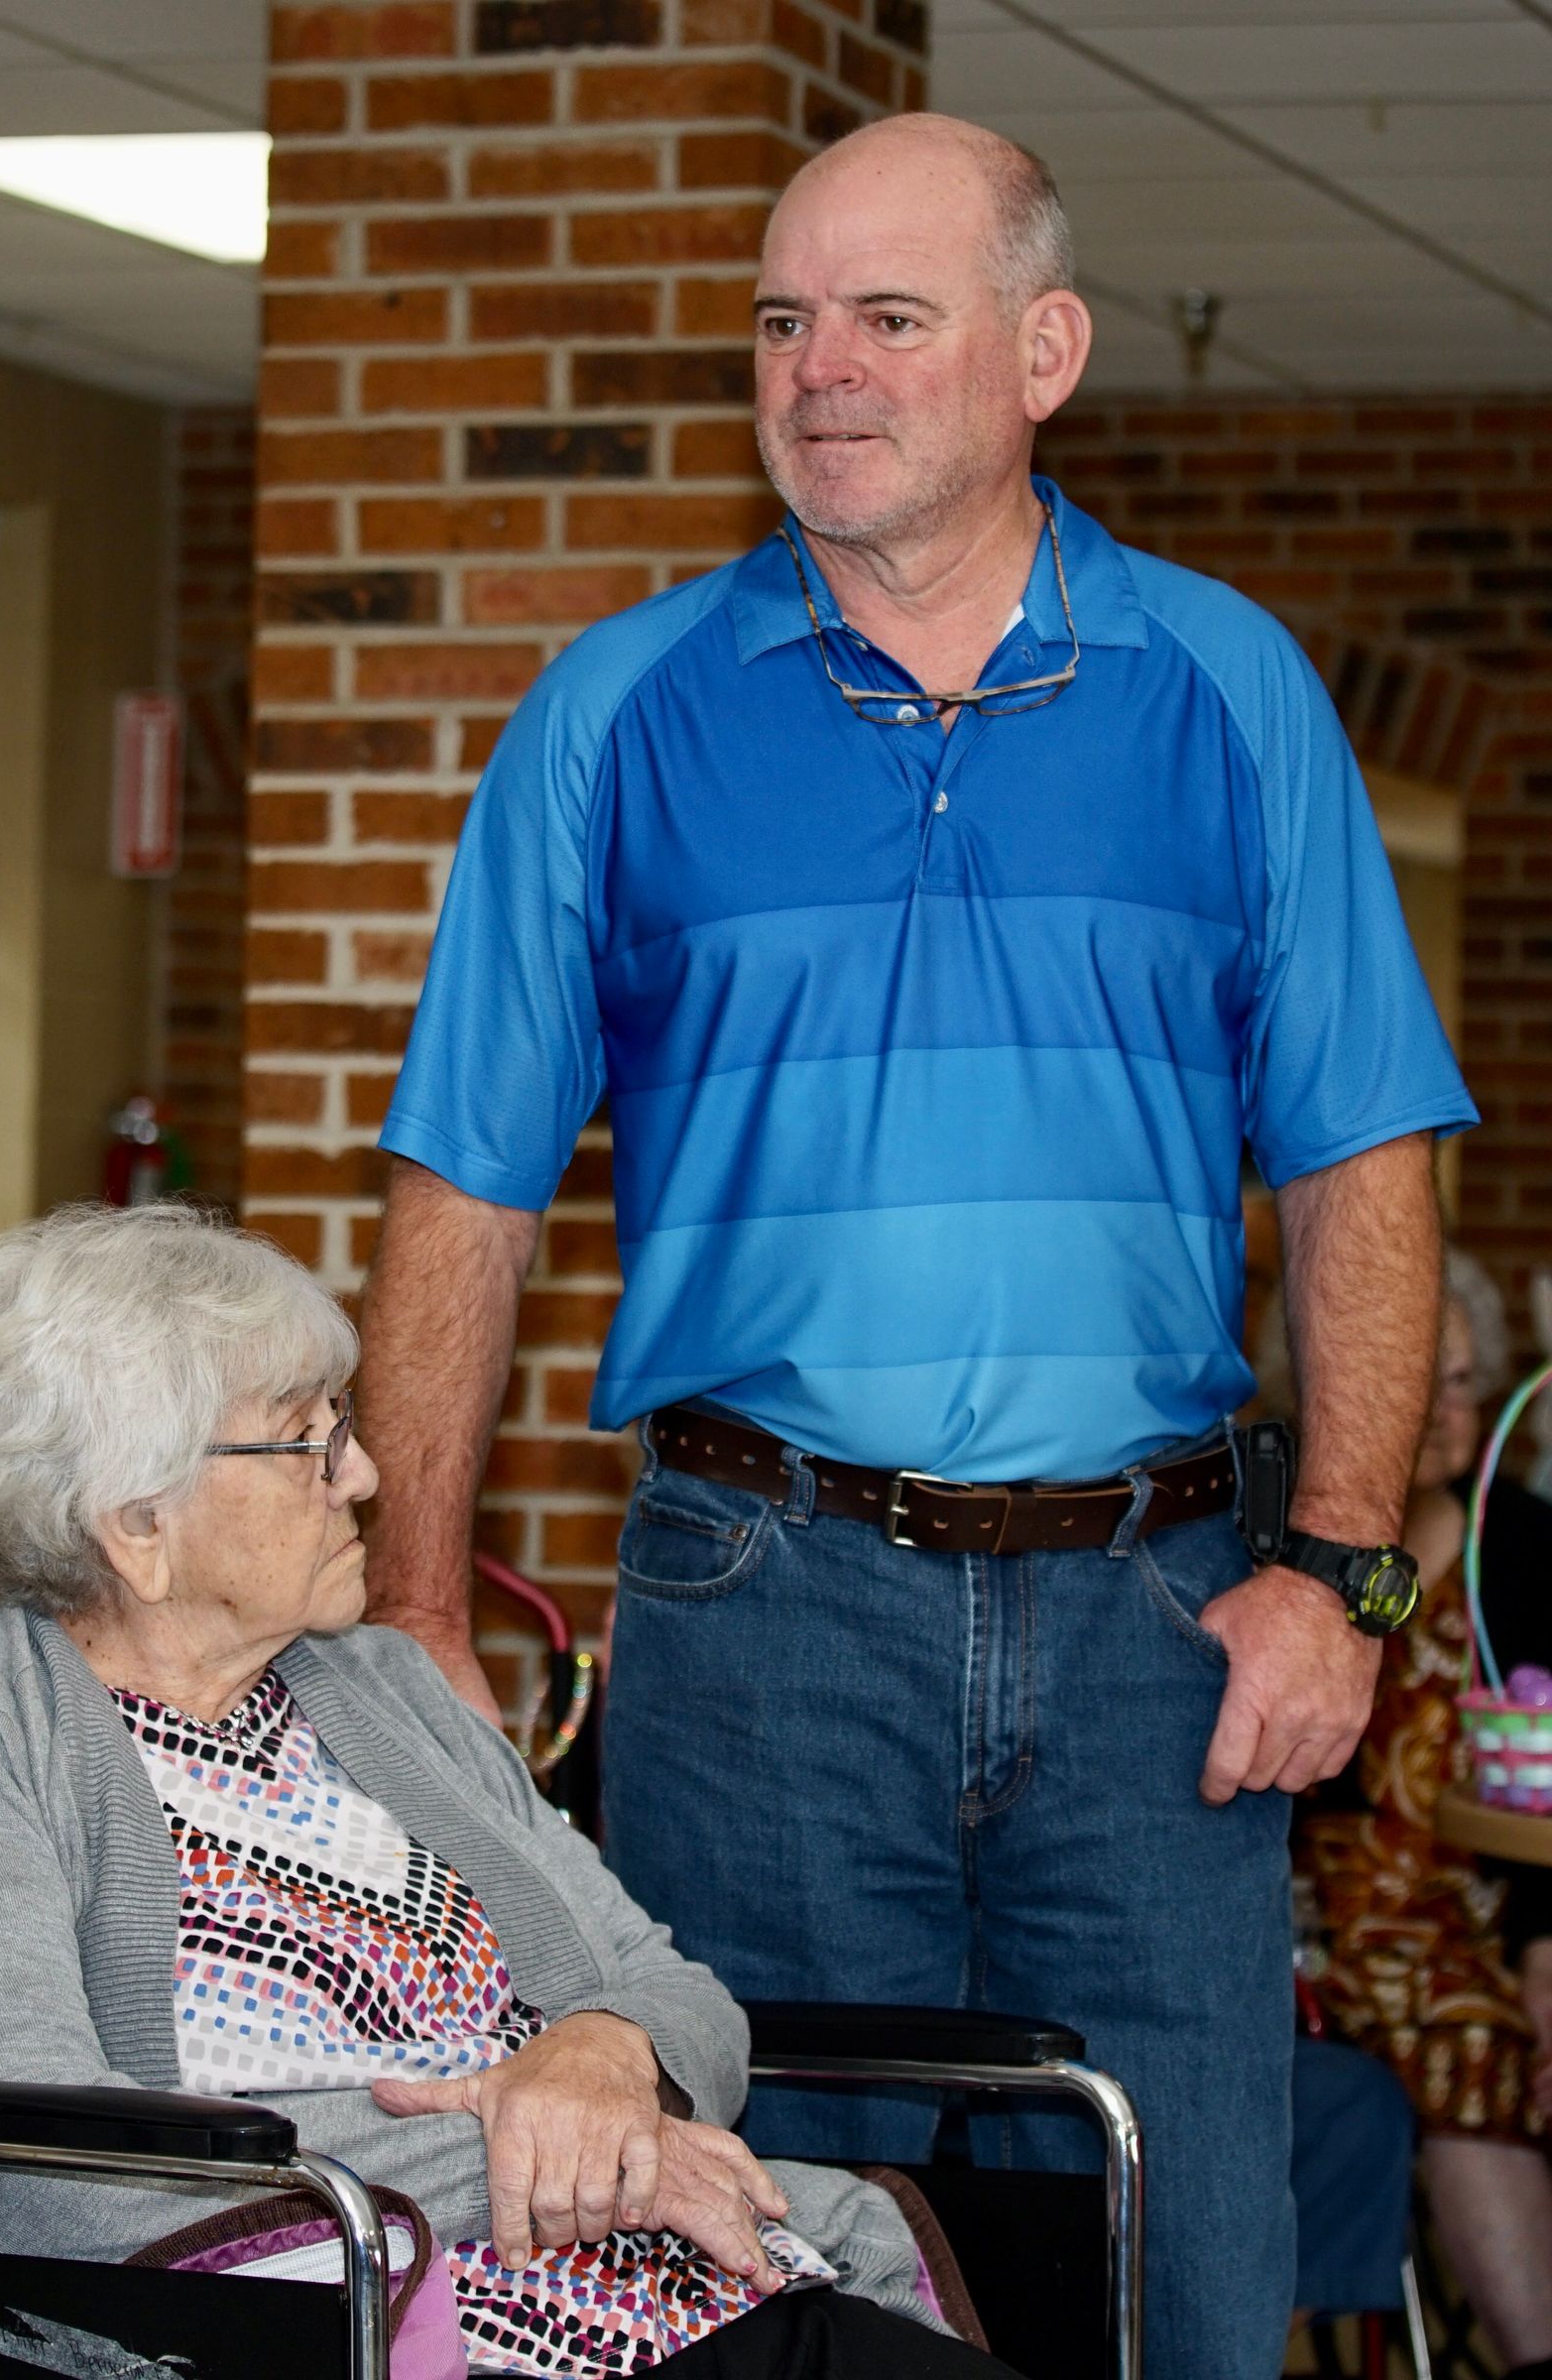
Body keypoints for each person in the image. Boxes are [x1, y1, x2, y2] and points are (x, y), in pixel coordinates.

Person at [356, 110, 1478, 2380]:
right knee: (778, 2272)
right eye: (784, 320)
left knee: (1180, 2282)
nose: (820, 369)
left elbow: (1361, 1160)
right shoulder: (614, 712)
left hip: (1160, 1627)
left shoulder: (1229, 690)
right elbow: (462, 1189)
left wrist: (1345, 1566)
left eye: (889, 315)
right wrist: (405, 1618)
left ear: (1042, 349)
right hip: (758, 1616)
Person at [0, 1203, 1014, 2380]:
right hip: (376, 2326)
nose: (368, 1472)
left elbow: (676, 1989)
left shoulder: (381, 1687)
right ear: (136, 1523)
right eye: (309, 1440)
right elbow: (3, 2162)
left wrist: (603, 2054)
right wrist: (538, 2151)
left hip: (688, 2297)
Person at [1292, 1254, 1552, 2375]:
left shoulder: (1529, 1547)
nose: (1447, 1412)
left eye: (1462, 1383)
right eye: (1420, 1380)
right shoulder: (1302, 1557)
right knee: (1473, 2041)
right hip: (1319, 1910)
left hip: (1484, 1905)